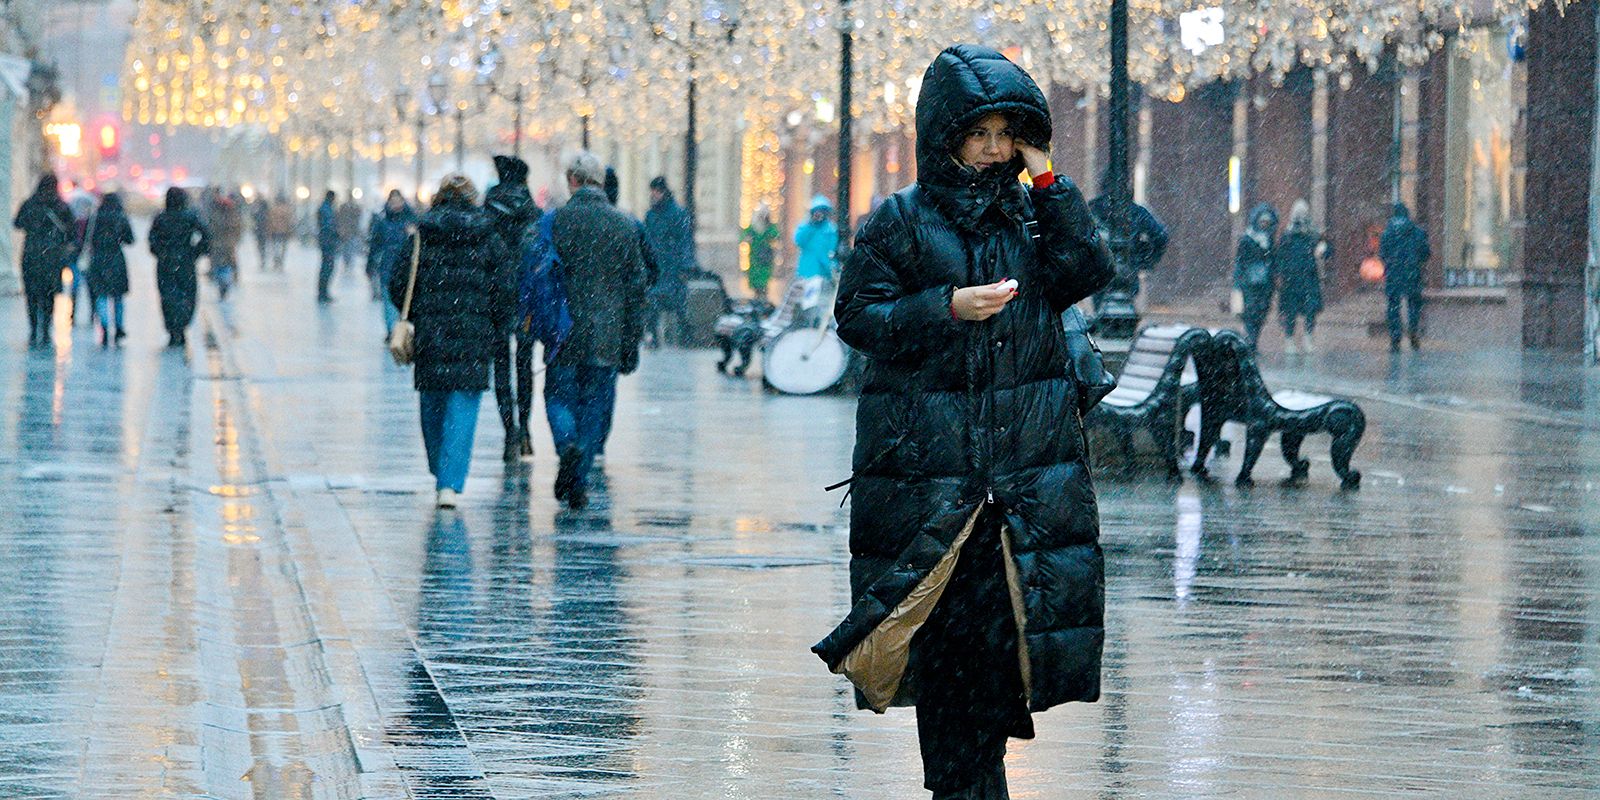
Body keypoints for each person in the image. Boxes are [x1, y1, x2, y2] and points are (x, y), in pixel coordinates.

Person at [811, 44, 1114, 800]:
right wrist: (945, 308)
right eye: (978, 133)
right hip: (933, 486)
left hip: (1018, 490)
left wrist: (1049, 179)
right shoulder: (901, 221)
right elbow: (857, 317)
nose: (992, 148)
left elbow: (1086, 270)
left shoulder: (1033, 214)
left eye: (1006, 132)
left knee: (999, 654)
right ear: (944, 136)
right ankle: (962, 787)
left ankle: (976, 785)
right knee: (945, 658)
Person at [387, 175, 513, 509]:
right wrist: (496, 324)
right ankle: (450, 482)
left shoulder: (422, 236)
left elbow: (399, 283)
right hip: (473, 336)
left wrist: (415, 310)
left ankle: (438, 468)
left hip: (432, 333)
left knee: (433, 404)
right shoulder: (489, 237)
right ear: (473, 200)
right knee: (463, 408)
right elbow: (504, 289)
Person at [538, 151, 649, 510]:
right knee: (594, 404)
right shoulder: (624, 225)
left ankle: (566, 445)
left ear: (571, 180)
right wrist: (631, 339)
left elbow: (537, 277)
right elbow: (637, 287)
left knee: (558, 396)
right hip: (607, 332)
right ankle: (579, 473)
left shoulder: (555, 222)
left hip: (563, 328)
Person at [483, 155, 542, 463]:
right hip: (526, 298)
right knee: (524, 365)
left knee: (501, 367)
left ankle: (509, 430)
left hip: (495, 298)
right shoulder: (533, 213)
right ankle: (526, 430)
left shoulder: (486, 212)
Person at [1087, 170, 1168, 310]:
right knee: (1124, 313)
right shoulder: (1136, 211)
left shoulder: (1093, 209)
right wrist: (1145, 260)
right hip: (1127, 271)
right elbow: (1160, 236)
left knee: (1101, 314)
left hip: (1099, 273)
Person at [12, 175, 77, 348]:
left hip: (31, 256)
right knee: (49, 295)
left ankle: (34, 329)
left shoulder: (30, 204)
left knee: (32, 295)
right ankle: (46, 329)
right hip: (53, 257)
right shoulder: (61, 206)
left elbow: (17, 223)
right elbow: (72, 232)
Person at [148, 187, 211, 348]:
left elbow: (152, 239)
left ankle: (173, 329)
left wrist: (161, 252)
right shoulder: (190, 217)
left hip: (166, 263)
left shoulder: (161, 218)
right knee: (187, 294)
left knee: (167, 296)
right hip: (186, 262)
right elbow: (206, 234)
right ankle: (181, 325)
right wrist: (196, 251)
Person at [643, 176, 694, 346]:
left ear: (662, 192)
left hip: (673, 267)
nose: (653, 195)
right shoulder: (651, 215)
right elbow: (646, 241)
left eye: (656, 192)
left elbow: (685, 240)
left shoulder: (678, 214)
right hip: (657, 267)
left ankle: (684, 337)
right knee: (652, 303)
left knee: (679, 304)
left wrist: (686, 265)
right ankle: (653, 337)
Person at [1276, 199, 1331, 354]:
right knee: (1291, 312)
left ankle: (1307, 339)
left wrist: (1323, 249)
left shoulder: (1313, 234)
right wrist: (1281, 274)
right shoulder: (1288, 235)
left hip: (1308, 278)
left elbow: (1326, 251)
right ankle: (1290, 340)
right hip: (1292, 280)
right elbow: (1280, 257)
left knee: (1309, 311)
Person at [85, 191, 135, 347]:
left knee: (101, 294)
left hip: (99, 259)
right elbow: (130, 239)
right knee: (118, 296)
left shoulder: (95, 217)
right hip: (116, 259)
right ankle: (119, 327)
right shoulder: (121, 217)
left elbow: (88, 238)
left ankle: (105, 327)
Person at [1379, 202, 1431, 352]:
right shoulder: (1418, 232)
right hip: (1412, 272)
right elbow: (1425, 253)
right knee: (1414, 303)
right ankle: (1413, 330)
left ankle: (1395, 339)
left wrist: (1391, 263)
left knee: (1393, 306)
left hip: (1393, 273)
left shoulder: (1387, 233)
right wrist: (1416, 262)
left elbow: (1383, 254)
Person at [368, 190, 418, 334]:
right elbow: (375, 244)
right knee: (389, 301)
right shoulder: (382, 221)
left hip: (406, 268)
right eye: (393, 201)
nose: (396, 204)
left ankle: (402, 331)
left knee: (406, 301)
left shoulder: (412, 220)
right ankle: (393, 332)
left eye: (398, 201)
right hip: (387, 266)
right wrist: (370, 264)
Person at [1234, 203, 1279, 351]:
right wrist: (1238, 281)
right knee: (1250, 312)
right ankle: (1251, 341)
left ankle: (1254, 340)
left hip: (1266, 284)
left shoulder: (1270, 241)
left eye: (1267, 222)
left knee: (1261, 312)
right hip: (1250, 283)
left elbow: (1274, 260)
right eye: (1262, 222)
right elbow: (1240, 261)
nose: (1265, 225)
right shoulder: (1247, 239)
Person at [205, 189, 244, 298]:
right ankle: (226, 281)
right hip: (227, 245)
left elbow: (209, 229)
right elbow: (237, 229)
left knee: (219, 265)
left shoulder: (214, 215)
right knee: (228, 264)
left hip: (218, 245)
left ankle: (222, 282)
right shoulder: (233, 216)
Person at [793, 195, 839, 282]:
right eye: (817, 211)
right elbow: (799, 241)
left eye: (822, 211)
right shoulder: (805, 227)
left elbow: (832, 250)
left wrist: (833, 266)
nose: (819, 214)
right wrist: (811, 225)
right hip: (807, 271)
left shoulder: (830, 229)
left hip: (825, 273)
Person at [741, 204, 780, 299]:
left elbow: (775, 235)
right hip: (755, 256)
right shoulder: (753, 227)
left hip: (765, 256)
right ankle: (758, 292)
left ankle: (762, 292)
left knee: (764, 277)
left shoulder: (769, 227)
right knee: (756, 277)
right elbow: (744, 237)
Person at [316, 191, 339, 302]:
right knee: (327, 267)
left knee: (327, 267)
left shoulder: (326, 208)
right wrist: (336, 233)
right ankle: (322, 293)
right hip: (328, 242)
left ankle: (323, 292)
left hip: (327, 241)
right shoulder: (326, 209)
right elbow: (328, 225)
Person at [336, 193, 364, 274]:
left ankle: (349, 264)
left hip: (351, 231)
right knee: (347, 248)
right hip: (348, 232)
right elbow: (341, 219)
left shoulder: (353, 207)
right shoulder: (345, 207)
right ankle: (347, 263)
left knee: (350, 248)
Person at [266, 193, 294, 271]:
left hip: (275, 231)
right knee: (282, 248)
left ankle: (276, 261)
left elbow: (270, 221)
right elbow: (290, 222)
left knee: (276, 247)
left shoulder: (273, 209)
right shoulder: (287, 209)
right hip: (284, 231)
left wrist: (270, 229)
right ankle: (280, 261)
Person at [249, 193, 271, 270]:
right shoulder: (257, 207)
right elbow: (253, 216)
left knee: (262, 246)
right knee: (260, 246)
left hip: (262, 229)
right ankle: (262, 259)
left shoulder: (263, 207)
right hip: (259, 230)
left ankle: (263, 259)